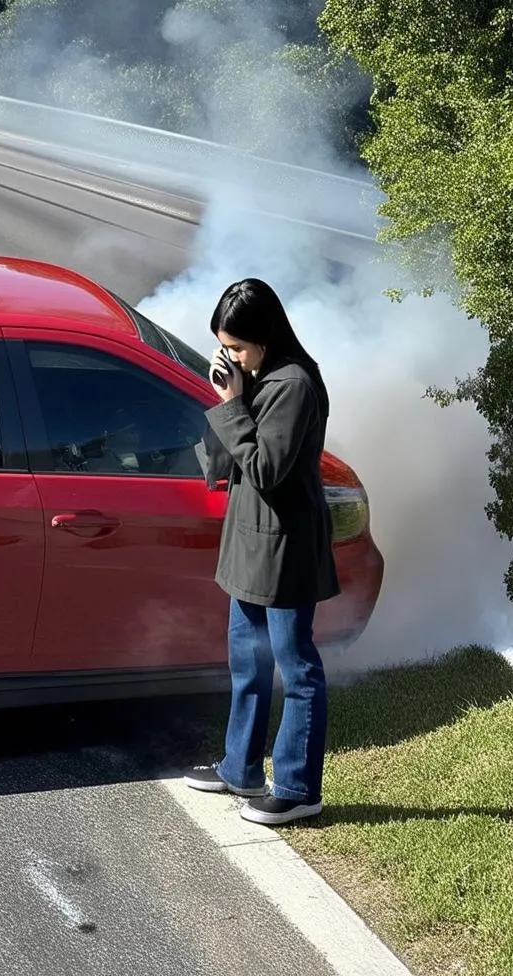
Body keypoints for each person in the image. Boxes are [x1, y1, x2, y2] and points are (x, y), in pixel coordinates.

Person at [185, 278, 339, 825]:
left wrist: (233, 404)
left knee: (297, 669)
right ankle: (239, 768)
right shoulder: (258, 379)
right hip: (250, 546)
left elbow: (268, 470)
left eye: (237, 347)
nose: (231, 358)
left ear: (266, 337)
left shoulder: (293, 386)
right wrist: (229, 398)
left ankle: (299, 789)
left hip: (286, 549)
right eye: (224, 347)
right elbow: (223, 464)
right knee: (247, 662)